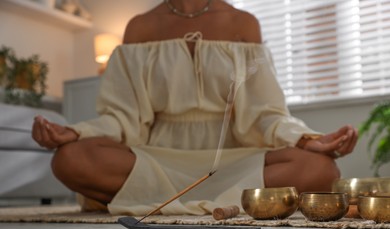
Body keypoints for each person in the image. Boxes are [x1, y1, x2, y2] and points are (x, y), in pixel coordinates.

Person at [32, 0, 358, 215]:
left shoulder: (243, 24)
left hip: (229, 162)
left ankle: (148, 201)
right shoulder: (139, 28)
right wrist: (75, 133)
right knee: (70, 159)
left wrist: (306, 140)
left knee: (321, 169)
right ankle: (222, 202)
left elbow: (265, 114)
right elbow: (121, 117)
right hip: (157, 160)